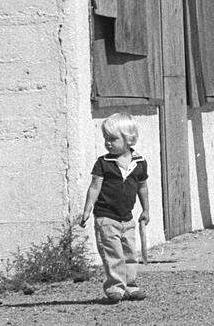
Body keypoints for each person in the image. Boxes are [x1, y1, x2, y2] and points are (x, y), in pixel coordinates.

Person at [79, 112, 150, 304]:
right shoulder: (103, 163)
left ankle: (131, 286)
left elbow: (142, 187)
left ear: (128, 139)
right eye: (105, 139)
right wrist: (87, 208)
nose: (107, 143)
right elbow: (95, 187)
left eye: (112, 139)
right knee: (113, 253)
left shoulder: (139, 163)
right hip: (106, 216)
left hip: (127, 217)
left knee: (129, 253)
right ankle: (115, 288)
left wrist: (146, 210)